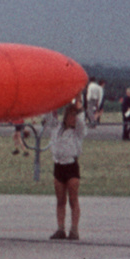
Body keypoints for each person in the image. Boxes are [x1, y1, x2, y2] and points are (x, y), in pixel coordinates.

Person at [45, 103, 85, 241]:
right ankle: (60, 228)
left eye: (75, 115)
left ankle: (74, 229)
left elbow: (81, 119)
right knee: (60, 200)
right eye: (71, 115)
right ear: (65, 116)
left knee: (73, 199)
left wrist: (78, 107)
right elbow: (49, 115)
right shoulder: (57, 127)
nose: (73, 118)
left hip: (71, 166)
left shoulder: (78, 131)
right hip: (58, 166)